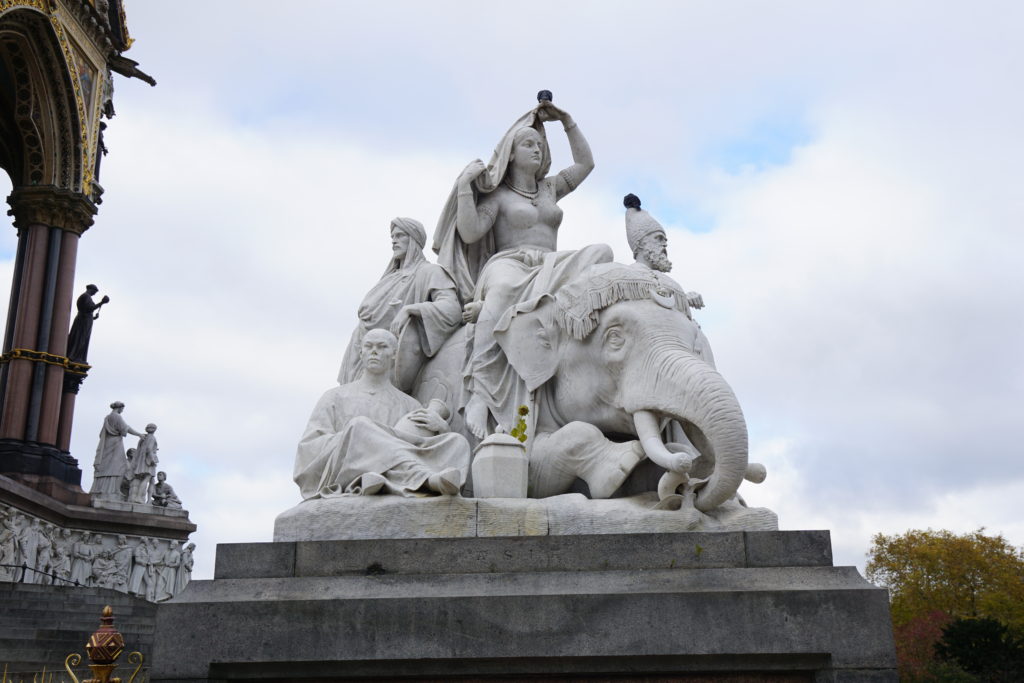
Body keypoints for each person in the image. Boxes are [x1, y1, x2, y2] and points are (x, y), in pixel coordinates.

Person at [433, 97, 612, 438]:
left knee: (602, 252)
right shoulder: (499, 196)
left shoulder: (550, 188)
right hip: (510, 263)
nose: (536, 149)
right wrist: (463, 190)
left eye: (539, 145)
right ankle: (480, 393)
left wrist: (567, 122)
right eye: (527, 144)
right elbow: (470, 232)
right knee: (500, 294)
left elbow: (586, 164)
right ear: (510, 154)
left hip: (552, 263)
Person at [294, 328, 471, 499]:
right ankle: (424, 478)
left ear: (394, 354)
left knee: (458, 442)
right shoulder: (335, 397)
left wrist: (442, 428)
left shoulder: (409, 404)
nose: (374, 352)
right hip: (348, 466)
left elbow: (420, 446)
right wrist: (356, 439)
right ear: (361, 353)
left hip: (394, 467)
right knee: (359, 426)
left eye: (382, 347)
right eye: (368, 346)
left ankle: (381, 478)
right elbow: (308, 448)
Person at [338, 218, 462, 392]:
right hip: (359, 351)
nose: (394, 241)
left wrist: (412, 309)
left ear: (414, 239)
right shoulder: (389, 278)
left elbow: (452, 308)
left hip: (390, 358)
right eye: (392, 237)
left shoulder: (429, 272)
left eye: (400, 236)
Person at [90, 401, 144, 501]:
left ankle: (104, 488)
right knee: (120, 466)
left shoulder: (107, 417)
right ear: (119, 407)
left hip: (108, 443)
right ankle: (113, 490)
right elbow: (126, 428)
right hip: (115, 443)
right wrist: (139, 434)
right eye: (122, 408)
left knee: (107, 465)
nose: (122, 410)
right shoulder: (117, 417)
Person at [67, 284, 109, 363]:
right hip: (83, 322)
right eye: (95, 291)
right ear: (90, 289)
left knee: (84, 339)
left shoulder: (88, 297)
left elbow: (88, 311)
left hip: (86, 321)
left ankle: (79, 357)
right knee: (80, 338)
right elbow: (88, 309)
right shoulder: (85, 296)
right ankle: (74, 356)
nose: (95, 293)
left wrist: (93, 318)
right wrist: (101, 302)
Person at [129, 424, 159, 504]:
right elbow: (149, 449)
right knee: (147, 479)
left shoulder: (144, 437)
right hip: (148, 461)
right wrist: (152, 459)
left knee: (144, 479)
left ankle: (138, 497)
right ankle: (139, 497)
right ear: (154, 429)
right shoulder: (152, 438)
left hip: (141, 460)